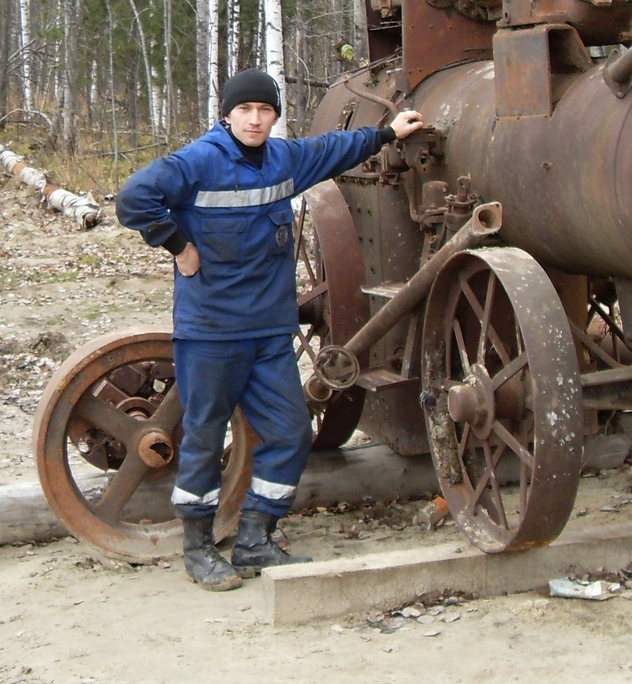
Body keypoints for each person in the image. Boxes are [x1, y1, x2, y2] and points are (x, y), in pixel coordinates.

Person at [115, 68, 424, 591]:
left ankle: (257, 534)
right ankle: (198, 548)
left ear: (275, 115)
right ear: (227, 114)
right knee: (204, 437)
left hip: (268, 333)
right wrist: (178, 245)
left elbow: (334, 148)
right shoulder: (198, 161)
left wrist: (389, 132)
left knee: (290, 432)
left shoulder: (284, 160)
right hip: (211, 331)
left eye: (265, 111)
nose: (256, 120)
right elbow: (132, 200)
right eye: (245, 111)